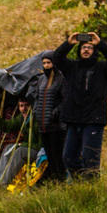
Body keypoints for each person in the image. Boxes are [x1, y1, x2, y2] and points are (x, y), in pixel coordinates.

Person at [51, 31, 107, 179]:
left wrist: (100, 43)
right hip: (74, 119)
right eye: (83, 47)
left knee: (90, 160)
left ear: (94, 51)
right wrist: (68, 43)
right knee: (68, 157)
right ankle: (80, 184)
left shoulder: (103, 68)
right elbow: (57, 58)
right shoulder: (71, 67)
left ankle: (91, 186)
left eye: (90, 47)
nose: (86, 50)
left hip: (94, 119)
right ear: (79, 50)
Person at [29, 51, 66, 182]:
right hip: (43, 125)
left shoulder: (61, 79)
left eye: (48, 62)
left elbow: (66, 100)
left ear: (54, 63)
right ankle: (53, 182)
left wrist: (56, 112)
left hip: (57, 126)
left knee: (58, 156)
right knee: (49, 156)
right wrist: (36, 112)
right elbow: (37, 98)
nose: (46, 65)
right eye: (44, 63)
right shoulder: (41, 80)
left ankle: (61, 181)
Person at [0, 98, 40, 186]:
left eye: (26, 105)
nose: (24, 108)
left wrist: (22, 145)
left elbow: (41, 144)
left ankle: (4, 183)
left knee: (19, 151)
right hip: (27, 147)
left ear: (32, 106)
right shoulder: (21, 118)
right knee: (8, 147)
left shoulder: (37, 119)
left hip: (37, 151)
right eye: (21, 106)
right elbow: (7, 126)